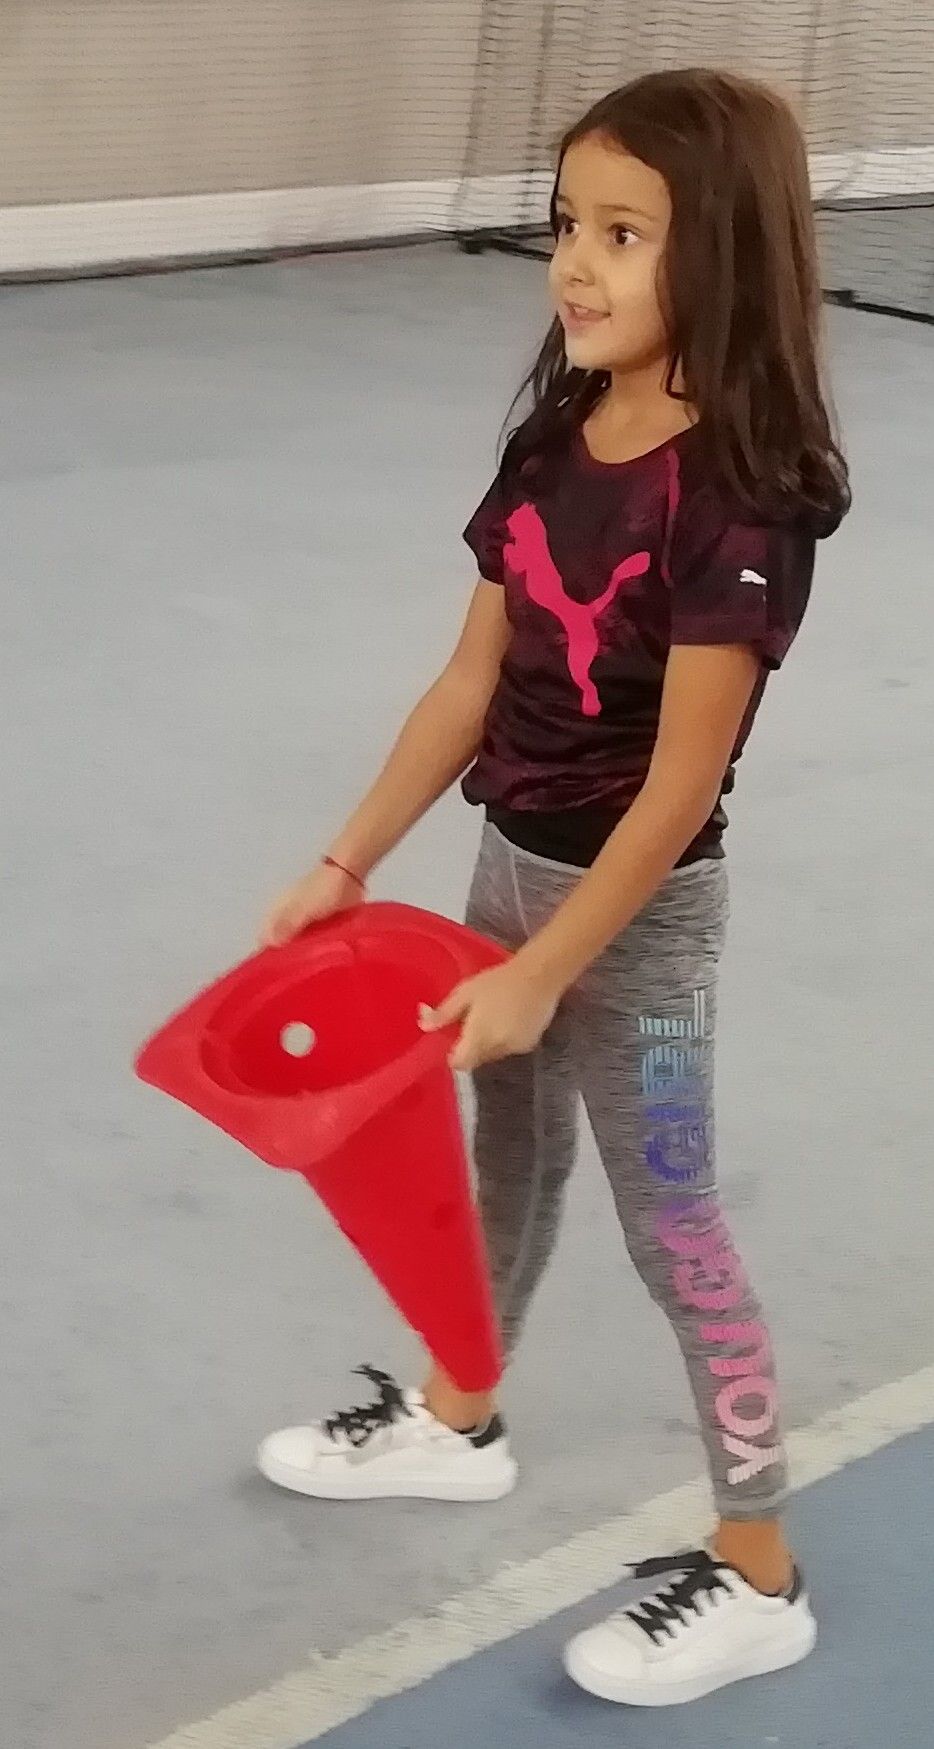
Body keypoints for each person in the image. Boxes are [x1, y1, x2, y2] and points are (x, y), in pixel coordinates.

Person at [255, 67, 849, 1708]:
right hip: (503, 868)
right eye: (567, 224)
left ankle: (758, 1570)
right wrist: (347, 856)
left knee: (675, 1226)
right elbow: (469, 682)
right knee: (501, 1158)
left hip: (637, 923)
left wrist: (540, 972)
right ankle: (458, 1417)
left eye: (624, 234)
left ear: (721, 252)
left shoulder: (737, 501)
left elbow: (675, 791)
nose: (574, 265)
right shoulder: (554, 439)